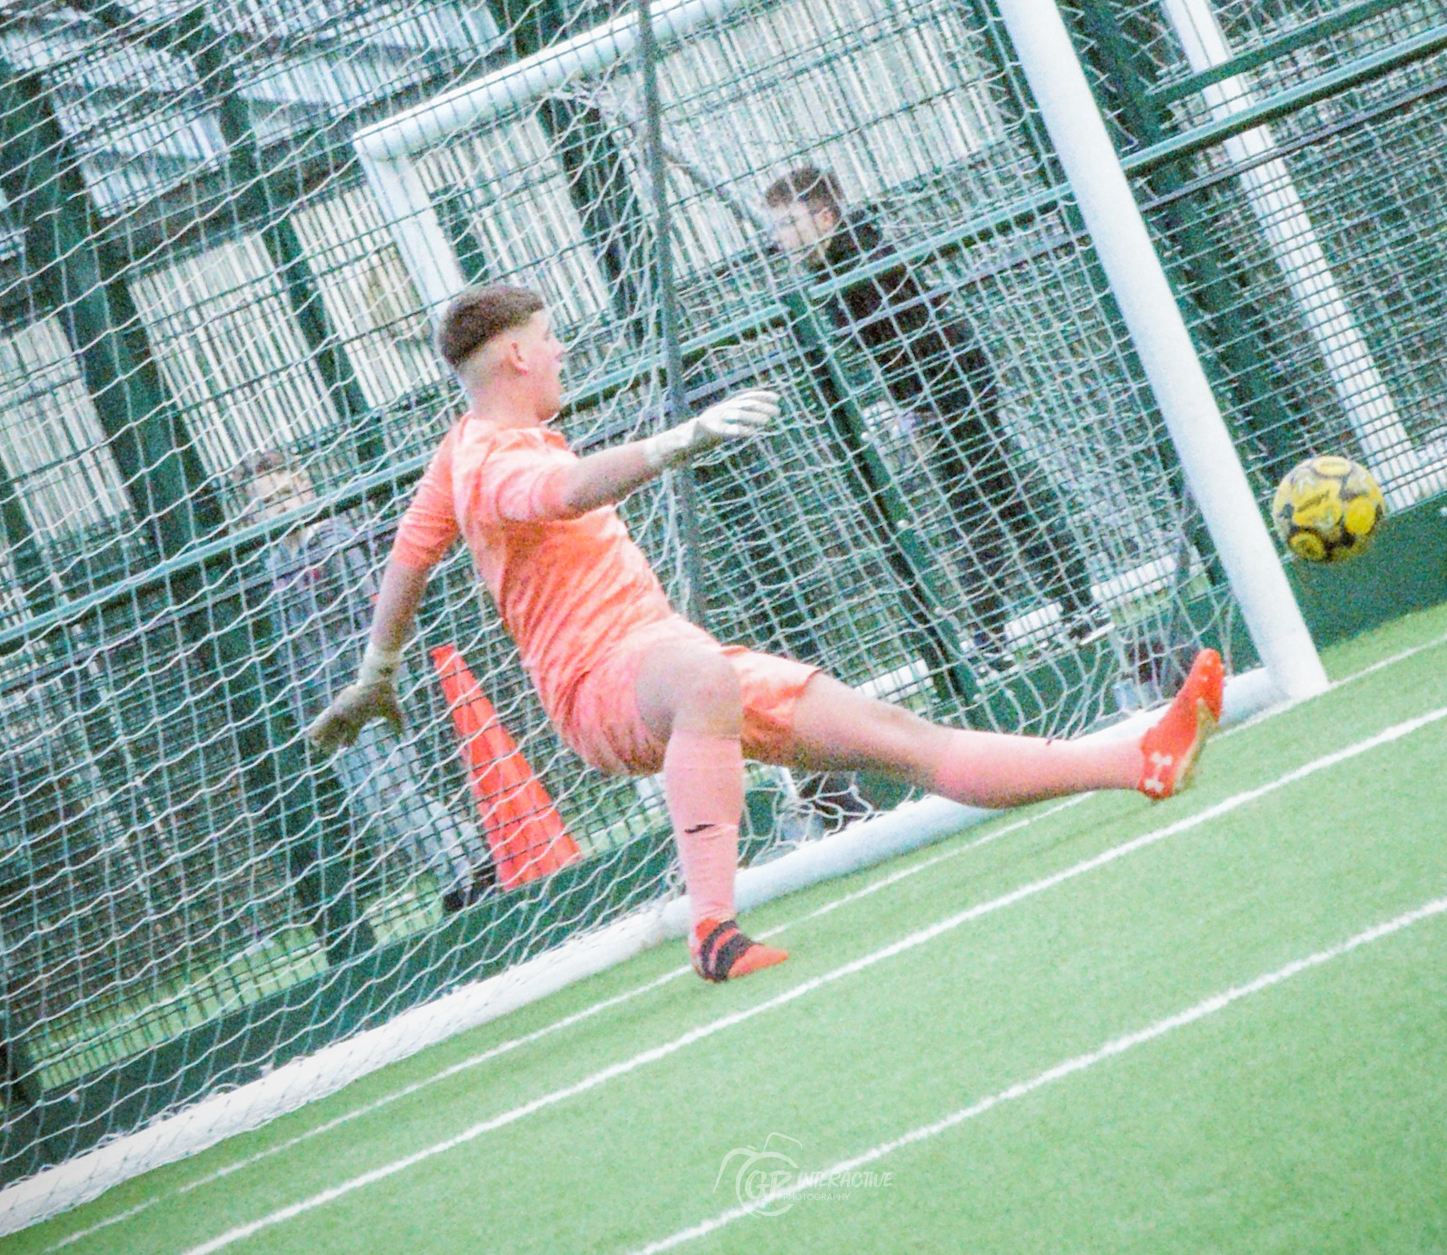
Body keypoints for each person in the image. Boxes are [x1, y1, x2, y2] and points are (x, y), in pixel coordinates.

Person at [307, 284, 1222, 985]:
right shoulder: (496, 457)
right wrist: (676, 441)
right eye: (549, 339)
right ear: (513, 356)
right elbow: (567, 491)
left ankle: (1139, 758)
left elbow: (407, 559)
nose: (561, 351)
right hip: (604, 687)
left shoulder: (457, 448)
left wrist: (377, 669)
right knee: (703, 673)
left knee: (903, 739)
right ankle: (713, 927)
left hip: (665, 661)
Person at [763, 165, 1096, 665]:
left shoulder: (858, 261)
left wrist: (921, 415)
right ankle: (1062, 613)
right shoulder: (837, 264)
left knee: (979, 509)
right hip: (941, 388)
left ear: (826, 217)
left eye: (789, 224)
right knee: (1000, 502)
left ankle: (1010, 633)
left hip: (951, 387)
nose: (778, 238)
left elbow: (909, 342)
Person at [240, 450, 495, 919]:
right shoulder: (276, 561)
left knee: (392, 794)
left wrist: (378, 678)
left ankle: (471, 868)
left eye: (285, 496)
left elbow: (371, 612)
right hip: (325, 702)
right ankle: (461, 868)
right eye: (265, 504)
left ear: (306, 485)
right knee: (377, 807)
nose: (279, 509)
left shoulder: (336, 539)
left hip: (363, 689)